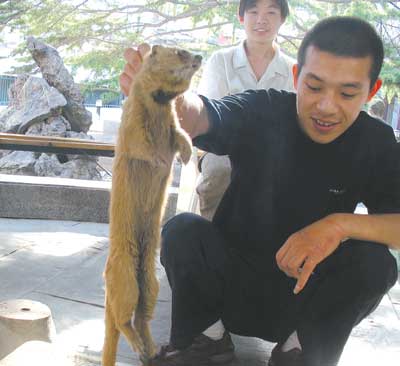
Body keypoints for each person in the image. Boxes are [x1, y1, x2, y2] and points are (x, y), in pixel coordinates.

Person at [119, 16, 400, 366]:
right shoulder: (264, 108)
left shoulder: (376, 142)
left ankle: (299, 350)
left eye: (347, 93)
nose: (326, 106)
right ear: (297, 77)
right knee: (182, 230)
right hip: (231, 285)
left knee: (377, 263)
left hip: (307, 297)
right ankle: (207, 340)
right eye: (314, 87)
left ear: (371, 91)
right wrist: (171, 101)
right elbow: (204, 115)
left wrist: (338, 225)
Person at [196, 0, 295, 220]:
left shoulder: (293, 68)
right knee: (220, 169)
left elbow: (293, 122)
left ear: (282, 19)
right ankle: (212, 237)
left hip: (274, 152)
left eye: (271, 12)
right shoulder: (221, 61)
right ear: (241, 17)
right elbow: (209, 114)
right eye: (253, 12)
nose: (261, 19)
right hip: (224, 148)